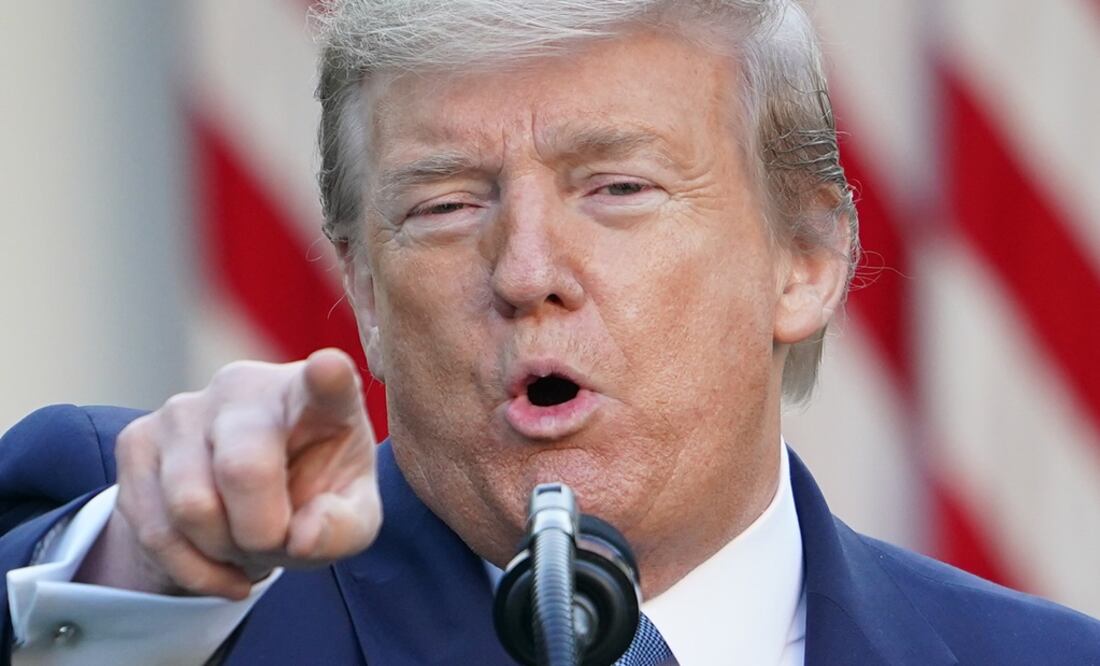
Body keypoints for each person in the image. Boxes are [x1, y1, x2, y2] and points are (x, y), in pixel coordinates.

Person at [2, 0, 1099, 664]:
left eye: (616, 187)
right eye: (443, 206)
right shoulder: (185, 604)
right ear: (366, 296)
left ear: (804, 259)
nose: (525, 272)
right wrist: (141, 571)